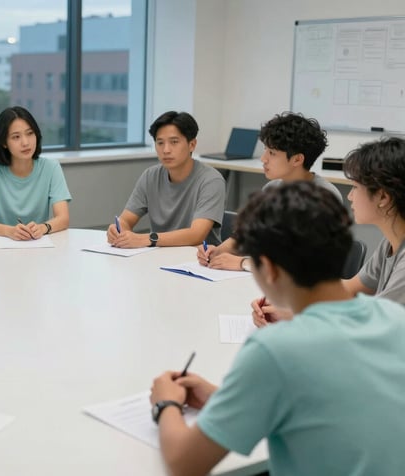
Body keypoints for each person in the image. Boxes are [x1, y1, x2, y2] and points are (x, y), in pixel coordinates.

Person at [150, 181, 405, 476]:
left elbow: (184, 464)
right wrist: (220, 397)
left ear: (268, 269)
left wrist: (166, 403)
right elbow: (326, 403)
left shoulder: (274, 350)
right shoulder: (392, 318)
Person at [252, 136, 405, 327]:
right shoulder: (390, 242)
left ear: (383, 196)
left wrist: (301, 314)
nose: (349, 196)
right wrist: (296, 307)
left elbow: (377, 324)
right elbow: (348, 289)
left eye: (355, 187)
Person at [198, 112, 342, 271]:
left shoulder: (325, 197)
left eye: (272, 153)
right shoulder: (271, 189)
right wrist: (217, 251)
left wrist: (243, 263)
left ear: (297, 159)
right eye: (265, 150)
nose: (263, 159)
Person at [107, 111, 225, 248]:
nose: (166, 150)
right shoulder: (150, 176)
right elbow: (126, 219)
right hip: (159, 256)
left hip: (199, 261)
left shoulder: (211, 181)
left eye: (174, 142)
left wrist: (148, 239)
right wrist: (118, 230)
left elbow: (196, 235)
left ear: (192, 145)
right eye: (160, 143)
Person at [0, 106, 71, 240]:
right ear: (4, 143)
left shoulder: (51, 167)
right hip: (1, 249)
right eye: (16, 137)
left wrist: (43, 227)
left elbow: (63, 218)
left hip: (38, 247)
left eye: (30, 133)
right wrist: (9, 231)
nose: (25, 142)